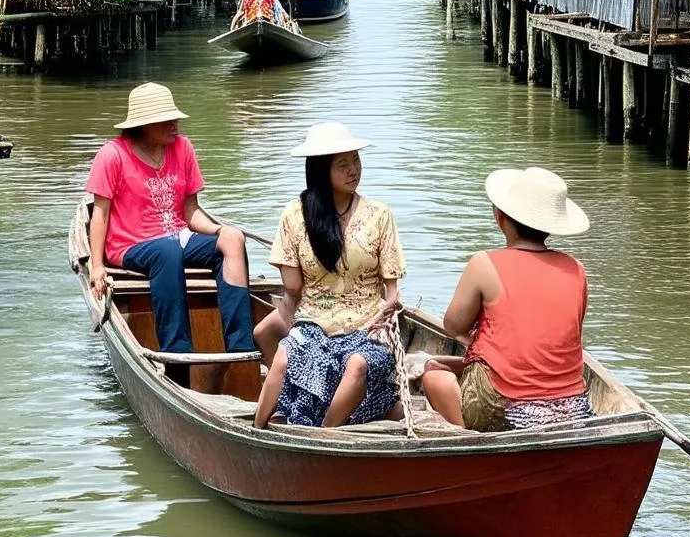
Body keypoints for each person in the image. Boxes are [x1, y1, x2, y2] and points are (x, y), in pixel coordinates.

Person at [86, 82, 254, 386]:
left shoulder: (183, 148)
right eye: (166, 120)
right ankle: (176, 355)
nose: (175, 124)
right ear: (143, 125)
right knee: (167, 250)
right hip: (130, 246)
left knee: (233, 240)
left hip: (177, 239)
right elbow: (100, 214)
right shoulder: (112, 155)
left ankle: (240, 345)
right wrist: (97, 266)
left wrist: (222, 230)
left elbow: (190, 211)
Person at [253, 122, 406, 429]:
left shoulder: (379, 215)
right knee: (284, 357)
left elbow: (392, 289)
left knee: (358, 365)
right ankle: (256, 430)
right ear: (322, 170)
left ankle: (325, 434)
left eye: (356, 161)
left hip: (368, 324)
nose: (354, 170)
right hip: (314, 324)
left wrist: (387, 313)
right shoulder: (295, 216)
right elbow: (293, 288)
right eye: (343, 165)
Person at [421, 167, 593, 432]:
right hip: (573, 406)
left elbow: (453, 326)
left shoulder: (484, 263)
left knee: (433, 372)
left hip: (504, 406)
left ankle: (470, 439)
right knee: (452, 366)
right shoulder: (576, 269)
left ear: (500, 217)